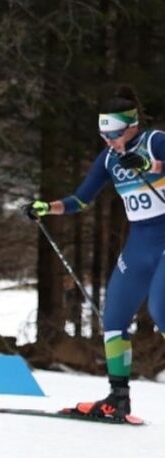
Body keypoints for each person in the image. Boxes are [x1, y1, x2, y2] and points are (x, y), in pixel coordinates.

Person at [23, 85, 165, 421]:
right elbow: (81, 199)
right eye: (103, 135)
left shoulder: (155, 141)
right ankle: (118, 397)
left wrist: (150, 164)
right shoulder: (110, 159)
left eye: (114, 134)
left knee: (161, 310)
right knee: (113, 317)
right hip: (140, 243)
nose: (109, 142)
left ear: (132, 127)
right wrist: (47, 207)